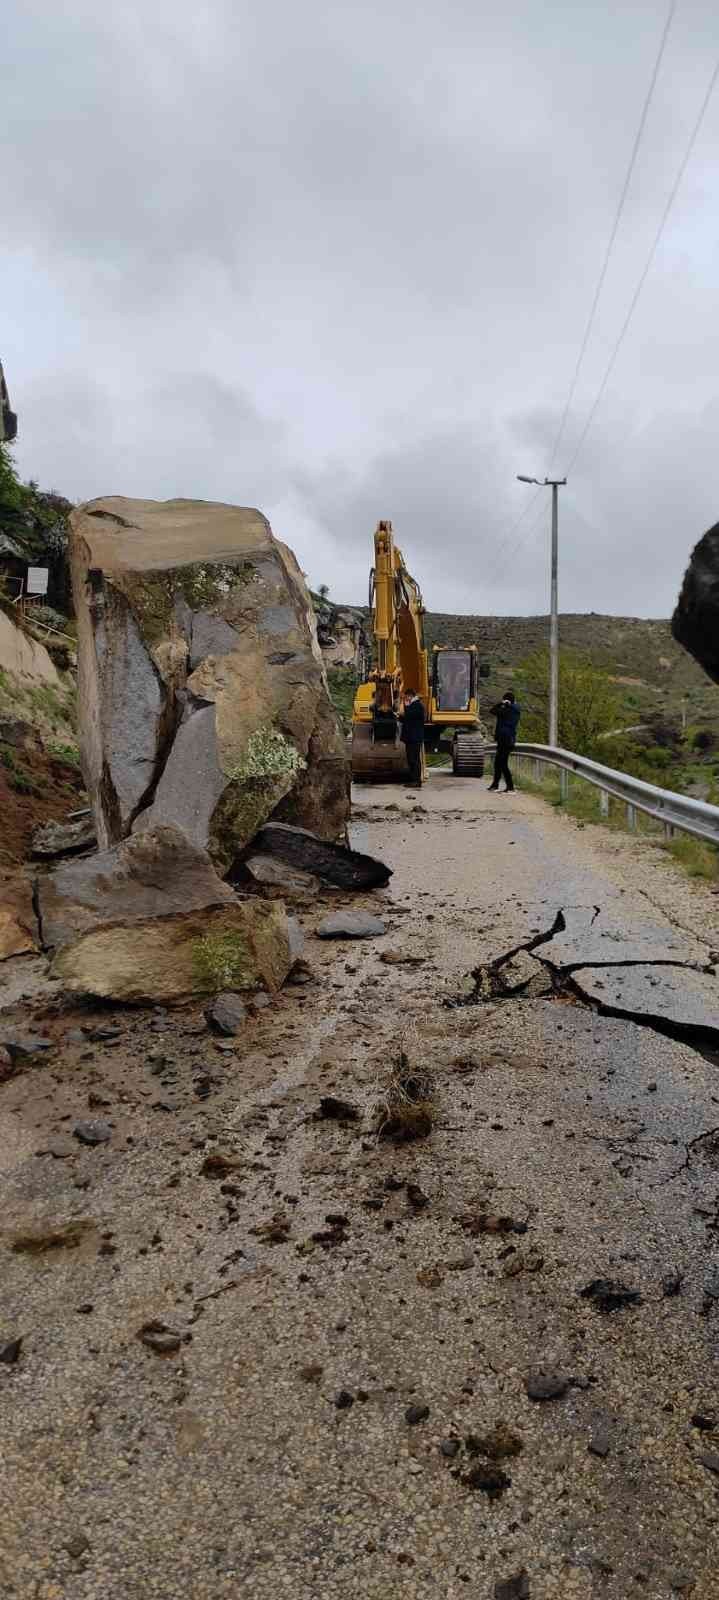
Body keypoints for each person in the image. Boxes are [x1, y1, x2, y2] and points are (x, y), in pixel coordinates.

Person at [488, 690, 521, 792]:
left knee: (502, 763)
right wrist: (501, 703)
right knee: (498, 763)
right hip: (501, 740)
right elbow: (492, 711)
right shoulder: (504, 710)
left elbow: (515, 709)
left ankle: (510, 787)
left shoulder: (514, 710)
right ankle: (495, 785)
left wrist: (509, 704)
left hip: (508, 740)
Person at [400, 689, 425, 787]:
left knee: (414, 759)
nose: (406, 699)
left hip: (414, 737)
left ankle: (416, 780)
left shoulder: (418, 705)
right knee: (410, 759)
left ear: (410, 696)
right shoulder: (412, 706)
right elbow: (407, 718)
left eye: (407, 697)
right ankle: (412, 779)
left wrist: (405, 705)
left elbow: (410, 714)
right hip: (410, 737)